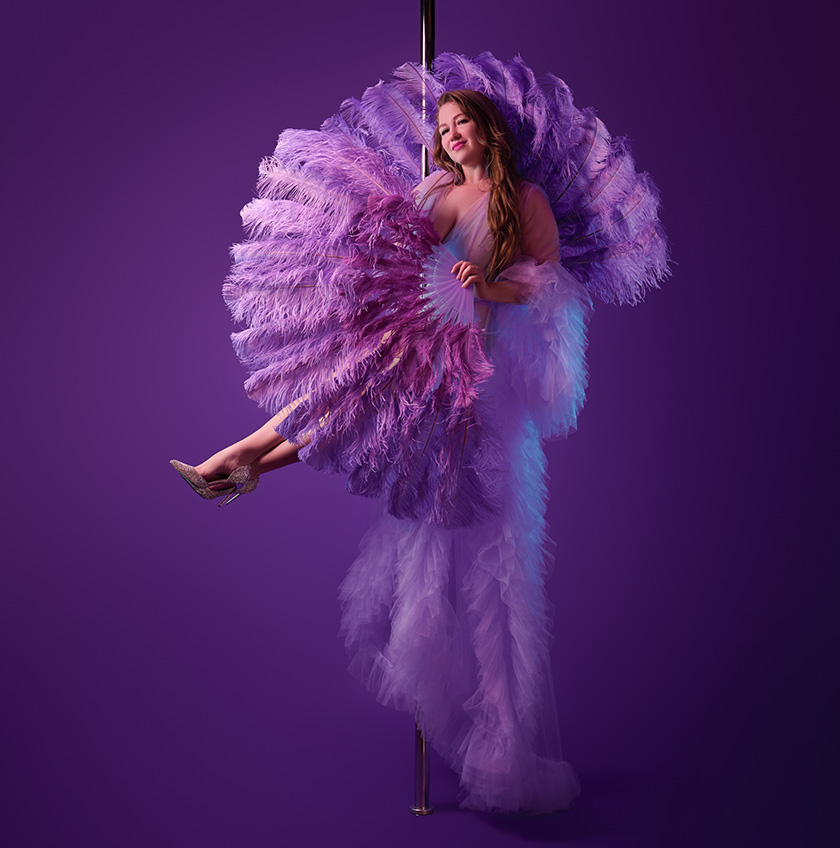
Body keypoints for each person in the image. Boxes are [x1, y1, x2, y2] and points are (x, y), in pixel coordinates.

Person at [172, 52, 668, 813]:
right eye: (443, 127)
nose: (453, 134)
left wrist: (486, 286)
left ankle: (507, 745)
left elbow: (545, 288)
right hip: (433, 351)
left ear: (489, 130)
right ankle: (242, 459)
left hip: (487, 372)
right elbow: (401, 254)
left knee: (494, 560)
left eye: (463, 122)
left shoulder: (524, 200)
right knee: (347, 388)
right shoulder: (436, 189)